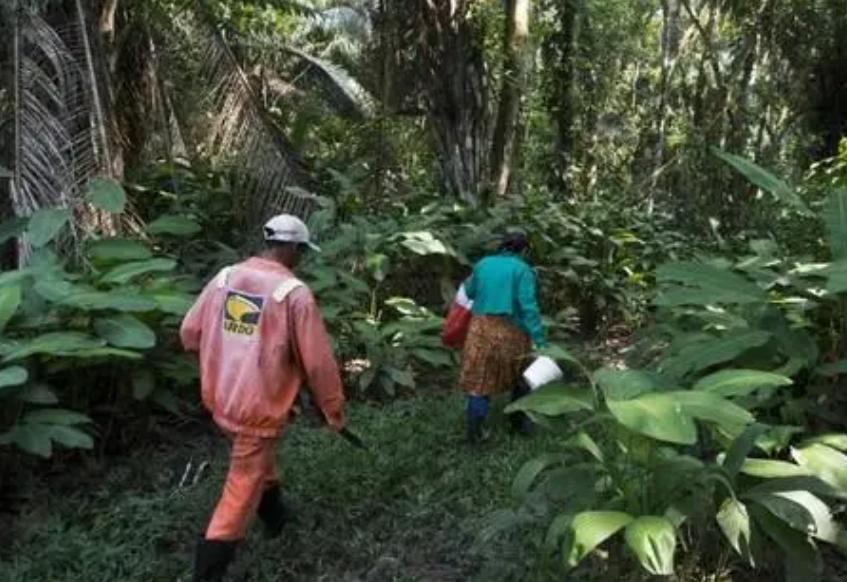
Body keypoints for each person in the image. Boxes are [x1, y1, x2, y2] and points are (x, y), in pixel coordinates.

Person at [180, 214, 346, 582]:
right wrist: (333, 409)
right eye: (301, 250)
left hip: (220, 399)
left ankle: (277, 518)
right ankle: (206, 573)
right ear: (291, 247)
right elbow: (318, 363)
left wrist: (219, 365)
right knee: (241, 486)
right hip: (256, 409)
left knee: (256, 462)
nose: (301, 257)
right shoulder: (294, 295)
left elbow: (190, 333)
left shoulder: (225, 277)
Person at [459, 231, 545, 443]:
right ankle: (517, 423)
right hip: (511, 331)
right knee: (522, 375)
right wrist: (540, 341)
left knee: (479, 381)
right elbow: (528, 308)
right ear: (523, 250)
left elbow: (468, 292)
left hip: (480, 329)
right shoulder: (524, 270)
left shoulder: (483, 264)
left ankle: (475, 433)